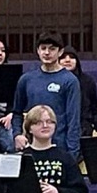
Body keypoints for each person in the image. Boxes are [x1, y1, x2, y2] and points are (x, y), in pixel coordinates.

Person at [10, 32, 81, 161]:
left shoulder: (70, 81)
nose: (47, 53)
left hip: (59, 146)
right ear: (38, 51)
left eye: (52, 49)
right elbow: (17, 112)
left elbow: (73, 120)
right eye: (43, 48)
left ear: (60, 52)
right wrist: (17, 134)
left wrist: (72, 153)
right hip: (32, 146)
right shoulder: (26, 79)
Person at [59, 47, 97, 139]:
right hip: (58, 133)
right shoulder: (52, 82)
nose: (67, 60)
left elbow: (95, 109)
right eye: (63, 57)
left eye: (72, 57)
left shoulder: (87, 81)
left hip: (83, 132)